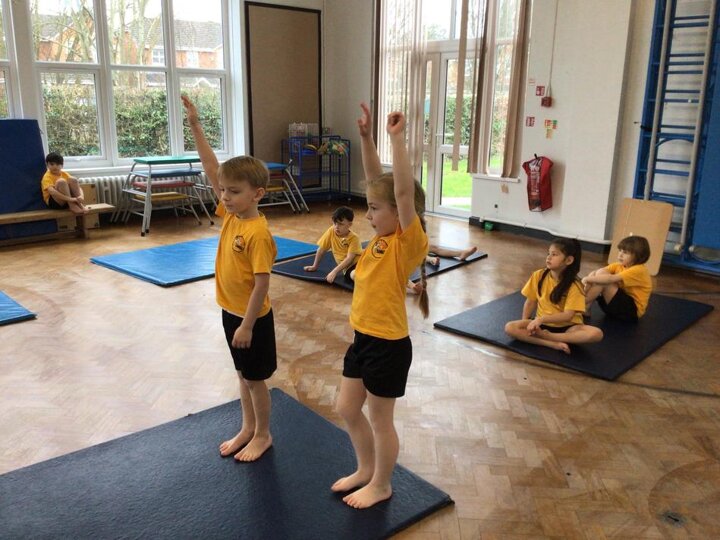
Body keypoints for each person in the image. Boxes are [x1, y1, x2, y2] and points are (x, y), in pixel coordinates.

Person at [331, 103, 429, 509]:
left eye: (373, 209)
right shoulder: (380, 241)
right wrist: (366, 138)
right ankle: (365, 469)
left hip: (388, 346)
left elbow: (400, 192)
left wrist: (397, 139)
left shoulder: (406, 243)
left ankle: (382, 484)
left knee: (380, 419)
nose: (367, 215)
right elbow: (379, 182)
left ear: (400, 214)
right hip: (363, 340)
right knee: (346, 408)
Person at [182, 94, 277, 462]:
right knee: (242, 375)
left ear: (257, 194)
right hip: (231, 311)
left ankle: (263, 434)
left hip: (252, 319)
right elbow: (212, 167)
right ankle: (247, 428)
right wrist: (195, 125)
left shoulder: (257, 233)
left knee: (255, 379)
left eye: (234, 192)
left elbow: (262, 285)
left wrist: (248, 325)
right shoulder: (233, 215)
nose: (224, 196)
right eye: (223, 190)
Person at [504, 238, 603, 354]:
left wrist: (542, 320)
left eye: (554, 254)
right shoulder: (538, 275)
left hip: (568, 327)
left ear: (569, 260)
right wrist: (526, 323)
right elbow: (530, 302)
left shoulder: (574, 285)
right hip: (541, 325)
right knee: (510, 327)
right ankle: (551, 344)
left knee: (596, 334)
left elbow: (568, 316)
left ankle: (550, 337)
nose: (549, 257)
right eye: (548, 253)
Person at [582, 235, 652, 320]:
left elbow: (610, 279)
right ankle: (585, 306)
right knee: (598, 273)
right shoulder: (618, 265)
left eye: (625, 252)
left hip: (631, 312)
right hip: (613, 306)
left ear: (638, 255)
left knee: (604, 281)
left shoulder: (639, 270)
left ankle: (580, 304)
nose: (620, 255)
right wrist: (589, 279)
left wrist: (587, 279)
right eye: (620, 251)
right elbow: (597, 273)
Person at [303, 206, 363, 283]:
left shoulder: (354, 238)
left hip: (360, 262)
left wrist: (334, 272)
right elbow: (321, 250)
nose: (336, 227)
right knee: (354, 275)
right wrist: (314, 266)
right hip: (349, 268)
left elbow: (349, 259)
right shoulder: (331, 231)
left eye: (341, 224)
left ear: (349, 224)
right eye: (335, 223)